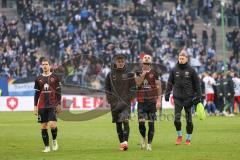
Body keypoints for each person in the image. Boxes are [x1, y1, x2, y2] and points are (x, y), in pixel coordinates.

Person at [165, 50, 202, 145]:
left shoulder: (191, 70)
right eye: (180, 58)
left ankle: (188, 138)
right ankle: (179, 136)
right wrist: (167, 93)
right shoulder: (173, 70)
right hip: (177, 98)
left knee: (189, 120)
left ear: (186, 59)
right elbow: (169, 83)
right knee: (176, 120)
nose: (181, 60)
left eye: (183, 58)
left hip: (188, 98)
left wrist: (199, 96)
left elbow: (197, 84)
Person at [105, 54, 135, 151]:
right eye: (118, 61)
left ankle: (125, 142)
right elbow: (107, 88)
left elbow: (133, 88)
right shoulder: (110, 74)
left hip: (125, 103)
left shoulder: (130, 74)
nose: (120, 63)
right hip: (114, 104)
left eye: (122, 61)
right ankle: (122, 143)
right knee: (118, 124)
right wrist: (110, 100)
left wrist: (129, 98)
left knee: (125, 121)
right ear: (115, 62)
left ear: (124, 62)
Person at [34, 59, 62, 153]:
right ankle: (46, 147)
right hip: (41, 106)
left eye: (46, 64)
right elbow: (36, 94)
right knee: (43, 126)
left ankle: (54, 140)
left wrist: (59, 104)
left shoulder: (55, 77)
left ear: (50, 66)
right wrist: (35, 106)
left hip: (52, 104)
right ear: (41, 66)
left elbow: (59, 92)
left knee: (52, 125)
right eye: (43, 64)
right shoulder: (38, 78)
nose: (45, 66)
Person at [135, 54, 162, 151]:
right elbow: (138, 84)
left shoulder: (155, 73)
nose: (146, 59)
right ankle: (143, 138)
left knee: (151, 123)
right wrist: (143, 74)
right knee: (141, 123)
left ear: (151, 61)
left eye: (148, 58)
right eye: (145, 58)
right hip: (141, 101)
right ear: (142, 61)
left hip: (152, 102)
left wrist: (159, 100)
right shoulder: (138, 72)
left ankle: (149, 144)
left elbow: (158, 86)